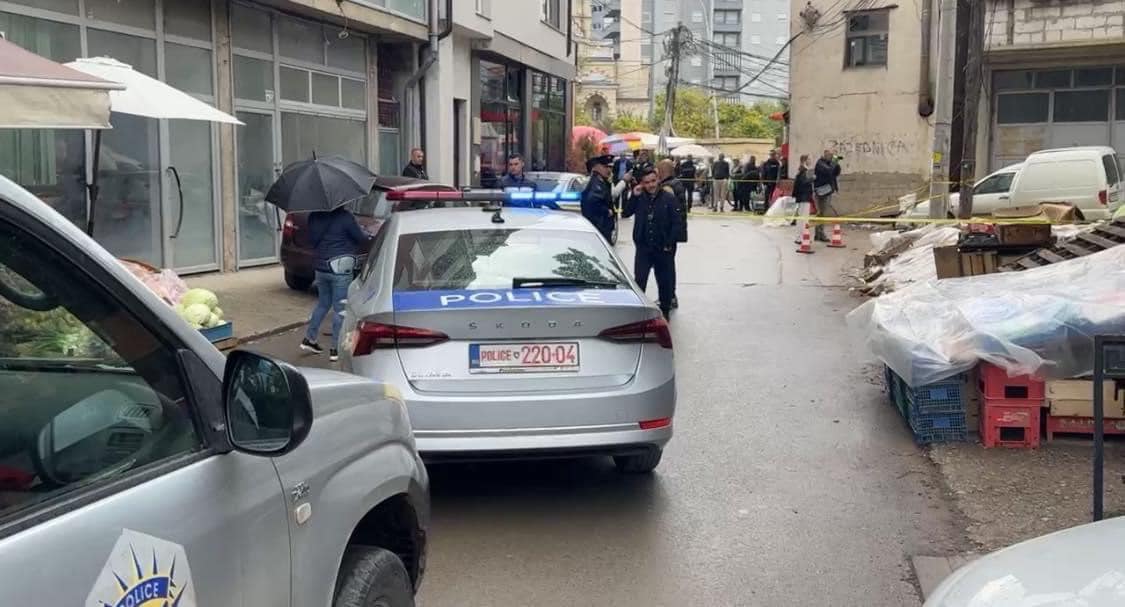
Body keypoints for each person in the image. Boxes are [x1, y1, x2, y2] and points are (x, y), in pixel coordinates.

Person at [300, 206, 370, 361]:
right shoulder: (345, 217)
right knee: (340, 309)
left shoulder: (313, 216)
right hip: (340, 268)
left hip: (320, 267)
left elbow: (312, 240)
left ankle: (309, 339)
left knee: (323, 304)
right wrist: (365, 234)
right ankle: (335, 349)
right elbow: (360, 238)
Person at [622, 168, 683, 318]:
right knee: (640, 280)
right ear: (642, 183)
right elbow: (626, 213)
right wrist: (634, 196)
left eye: (653, 181)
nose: (651, 185)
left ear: (658, 180)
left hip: (662, 248)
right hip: (643, 248)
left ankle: (665, 311)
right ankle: (638, 312)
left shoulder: (669, 198)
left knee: (664, 282)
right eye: (647, 182)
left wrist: (669, 243)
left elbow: (677, 223)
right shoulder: (639, 197)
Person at [656, 159, 688, 309]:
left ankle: (669, 297)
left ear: (663, 171)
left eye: (658, 170)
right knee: (668, 265)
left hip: (667, 235)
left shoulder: (668, 187)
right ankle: (670, 296)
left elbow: (665, 213)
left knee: (666, 267)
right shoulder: (676, 184)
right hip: (673, 233)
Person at [581, 154, 632, 242]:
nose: (609, 170)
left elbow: (611, 194)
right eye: (605, 167)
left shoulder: (603, 181)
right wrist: (607, 211)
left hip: (603, 227)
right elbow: (592, 201)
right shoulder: (595, 183)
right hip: (598, 227)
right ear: (596, 167)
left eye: (610, 167)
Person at [813, 149, 843, 242]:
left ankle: (818, 233)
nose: (832, 157)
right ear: (826, 155)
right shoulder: (820, 163)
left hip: (828, 190)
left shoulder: (829, 163)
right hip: (822, 191)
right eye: (831, 156)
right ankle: (820, 233)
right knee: (821, 213)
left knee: (822, 213)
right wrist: (833, 163)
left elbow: (836, 173)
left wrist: (837, 164)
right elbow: (829, 171)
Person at [792, 154, 816, 245]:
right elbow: (803, 183)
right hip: (804, 197)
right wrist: (812, 179)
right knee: (804, 218)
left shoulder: (802, 170)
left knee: (802, 218)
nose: (810, 161)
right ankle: (802, 237)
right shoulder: (804, 171)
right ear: (805, 161)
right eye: (809, 159)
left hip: (803, 197)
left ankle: (800, 237)